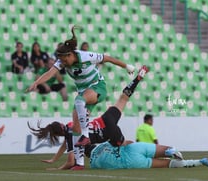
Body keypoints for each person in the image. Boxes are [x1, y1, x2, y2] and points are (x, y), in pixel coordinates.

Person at [27, 25, 135, 170]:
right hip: (83, 92)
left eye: (64, 60)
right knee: (75, 126)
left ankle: (86, 136)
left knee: (79, 101)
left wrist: (126, 66)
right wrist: (36, 82)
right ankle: (79, 163)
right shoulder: (62, 61)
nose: (63, 63)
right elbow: (50, 73)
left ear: (71, 54)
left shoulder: (86, 56)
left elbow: (108, 58)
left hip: (98, 87)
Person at [83, 66, 208, 169]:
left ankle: (200, 162)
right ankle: (170, 151)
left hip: (131, 162)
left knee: (167, 165)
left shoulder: (94, 163)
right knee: (123, 99)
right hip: (123, 138)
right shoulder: (102, 144)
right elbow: (128, 142)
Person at [28, 65, 148, 170]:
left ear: (59, 134)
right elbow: (65, 144)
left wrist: (57, 169)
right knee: (123, 98)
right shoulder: (71, 125)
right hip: (105, 118)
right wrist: (54, 159)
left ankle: (145, 152)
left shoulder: (71, 135)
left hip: (106, 131)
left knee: (123, 144)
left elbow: (70, 162)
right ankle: (137, 79)